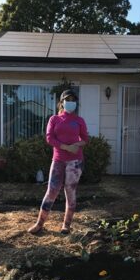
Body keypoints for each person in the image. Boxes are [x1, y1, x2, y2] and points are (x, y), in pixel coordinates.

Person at [28, 89, 89, 235]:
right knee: (52, 191)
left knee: (70, 191)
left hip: (75, 162)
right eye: (68, 99)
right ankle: (39, 223)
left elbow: (85, 139)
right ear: (61, 102)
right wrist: (66, 147)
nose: (71, 102)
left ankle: (66, 225)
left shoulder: (79, 120)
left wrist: (77, 145)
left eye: (73, 100)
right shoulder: (54, 119)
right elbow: (49, 138)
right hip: (58, 160)